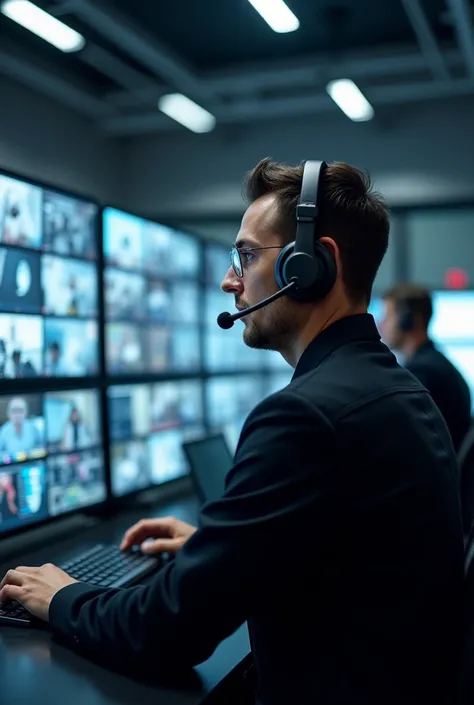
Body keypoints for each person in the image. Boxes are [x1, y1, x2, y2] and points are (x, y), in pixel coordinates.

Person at [0, 159, 464, 705]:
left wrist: (63, 596)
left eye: (246, 256)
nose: (229, 280)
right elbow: (352, 560)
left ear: (311, 265)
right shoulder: (400, 392)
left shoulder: (303, 417)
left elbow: (164, 631)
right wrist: (223, 550)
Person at [380, 283, 472, 452]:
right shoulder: (434, 362)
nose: (381, 325)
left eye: (387, 317)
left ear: (408, 320)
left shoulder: (423, 373)